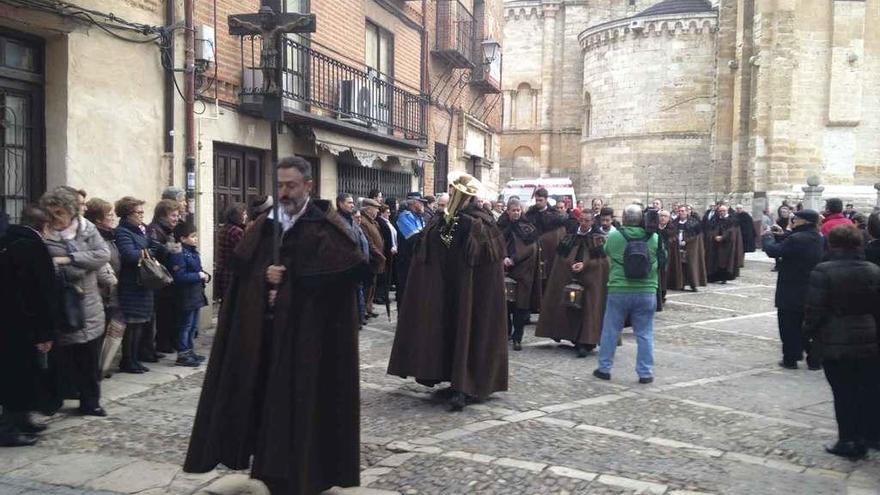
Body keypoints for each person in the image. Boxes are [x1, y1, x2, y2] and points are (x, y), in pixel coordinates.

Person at [185, 156, 366, 494]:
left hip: (309, 342)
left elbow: (347, 274)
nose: (284, 192)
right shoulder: (264, 226)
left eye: (291, 186)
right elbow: (240, 273)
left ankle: (308, 472)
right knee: (264, 402)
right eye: (279, 185)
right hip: (265, 336)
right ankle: (267, 467)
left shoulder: (325, 226)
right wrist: (263, 279)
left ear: (308, 186)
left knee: (303, 405)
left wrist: (294, 280)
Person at [388, 173, 508, 411]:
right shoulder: (440, 219)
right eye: (452, 193)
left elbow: (486, 258)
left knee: (467, 331)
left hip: (471, 293)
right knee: (446, 331)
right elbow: (427, 247)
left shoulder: (482, 222)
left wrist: (467, 230)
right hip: (446, 288)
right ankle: (451, 379)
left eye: (457, 194)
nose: (454, 197)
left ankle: (466, 385)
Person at [802, 225, 880, 460]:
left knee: (844, 393)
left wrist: (807, 337)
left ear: (832, 243)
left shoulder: (823, 271)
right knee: (867, 390)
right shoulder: (873, 270)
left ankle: (848, 439)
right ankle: (869, 435)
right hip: (868, 337)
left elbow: (814, 310)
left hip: (835, 338)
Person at [41, 188, 111, 417]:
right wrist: (75, 264)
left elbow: (103, 255)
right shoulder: (46, 233)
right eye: (51, 213)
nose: (55, 218)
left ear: (71, 212)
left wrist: (70, 258)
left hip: (88, 305)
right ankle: (56, 399)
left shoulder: (86, 229)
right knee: (61, 358)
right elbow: (50, 265)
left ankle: (91, 402)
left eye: (59, 213)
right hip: (62, 303)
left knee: (90, 359)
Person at [0, 206, 60, 446]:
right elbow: (41, 292)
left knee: (23, 374)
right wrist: (45, 330)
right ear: (45, 226)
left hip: (13, 319)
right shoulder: (30, 245)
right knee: (17, 374)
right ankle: (9, 427)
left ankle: (22, 417)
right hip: (23, 322)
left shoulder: (12, 240)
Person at [593, 205, 660, 384]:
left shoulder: (615, 236)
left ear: (624, 219)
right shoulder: (653, 237)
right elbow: (662, 259)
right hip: (646, 289)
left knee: (610, 331)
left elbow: (606, 251)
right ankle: (645, 372)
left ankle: (604, 368)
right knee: (645, 333)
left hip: (619, 289)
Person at [536, 208, 609, 357]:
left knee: (588, 311)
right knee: (570, 308)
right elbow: (559, 261)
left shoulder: (598, 239)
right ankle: (571, 337)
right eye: (581, 220)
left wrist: (586, 265)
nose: (583, 223)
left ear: (592, 221)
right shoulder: (569, 237)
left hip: (589, 282)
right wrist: (570, 264)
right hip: (569, 279)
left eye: (586, 220)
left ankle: (585, 342)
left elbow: (603, 263)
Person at [762, 209, 824, 370]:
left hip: (791, 288)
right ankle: (814, 359)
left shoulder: (797, 238)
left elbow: (774, 250)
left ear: (804, 221)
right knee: (808, 325)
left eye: (795, 218)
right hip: (810, 287)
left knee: (788, 325)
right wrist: (785, 232)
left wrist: (767, 237)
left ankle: (790, 358)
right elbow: (790, 245)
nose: (793, 220)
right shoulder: (818, 237)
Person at [84, 198, 123, 379]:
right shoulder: (94, 237)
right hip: (99, 292)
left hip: (111, 291)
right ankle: (93, 371)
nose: (113, 218)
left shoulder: (111, 235)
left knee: (109, 331)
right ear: (98, 219)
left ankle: (101, 367)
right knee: (96, 335)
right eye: (109, 215)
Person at [115, 197, 154, 374]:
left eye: (142, 212)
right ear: (127, 214)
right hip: (131, 283)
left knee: (140, 324)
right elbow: (129, 255)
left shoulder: (140, 230)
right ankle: (127, 359)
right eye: (138, 212)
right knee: (131, 323)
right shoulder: (123, 231)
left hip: (143, 282)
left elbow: (149, 246)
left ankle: (135, 358)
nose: (141, 215)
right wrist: (147, 253)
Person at [497, 199, 540, 351]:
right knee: (505, 305)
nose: (516, 213)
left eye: (518, 210)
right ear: (507, 211)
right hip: (503, 270)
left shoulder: (528, 228)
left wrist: (513, 259)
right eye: (513, 210)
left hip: (522, 272)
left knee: (520, 307)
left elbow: (531, 248)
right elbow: (495, 243)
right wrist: (503, 257)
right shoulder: (500, 226)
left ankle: (517, 337)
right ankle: (506, 332)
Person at [167, 222, 209, 367]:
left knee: (192, 326)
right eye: (193, 236)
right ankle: (183, 354)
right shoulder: (178, 253)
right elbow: (179, 276)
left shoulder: (192, 251)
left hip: (195, 294)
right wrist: (199, 275)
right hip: (185, 295)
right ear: (183, 239)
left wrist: (205, 275)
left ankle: (190, 351)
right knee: (185, 325)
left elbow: (199, 269)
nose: (196, 239)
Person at [146, 199, 182, 358]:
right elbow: (152, 254)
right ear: (163, 216)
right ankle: (157, 345)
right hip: (158, 279)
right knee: (157, 314)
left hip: (167, 279)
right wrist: (168, 250)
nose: (177, 218)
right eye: (173, 215)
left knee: (167, 312)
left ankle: (164, 342)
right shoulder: (154, 230)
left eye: (177, 215)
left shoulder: (168, 230)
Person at [525, 188, 568, 300]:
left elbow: (563, 225)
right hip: (534, 250)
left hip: (549, 252)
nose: (538, 202)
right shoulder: (531, 213)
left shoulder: (554, 214)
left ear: (546, 199)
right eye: (537, 200)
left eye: (540, 200)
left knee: (548, 277)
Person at [395, 192, 427, 303]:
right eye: (421, 202)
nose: (423, 205)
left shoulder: (419, 217)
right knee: (405, 292)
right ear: (413, 203)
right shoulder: (404, 216)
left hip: (416, 260)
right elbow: (414, 238)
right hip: (406, 261)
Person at [667, 205, 707, 292]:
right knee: (680, 266)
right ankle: (681, 284)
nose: (681, 213)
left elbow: (697, 236)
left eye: (683, 211)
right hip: (677, 247)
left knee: (691, 266)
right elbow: (671, 233)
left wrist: (687, 241)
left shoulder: (694, 223)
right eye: (679, 211)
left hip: (690, 248)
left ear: (687, 212)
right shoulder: (674, 223)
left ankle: (693, 284)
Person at [359, 198, 386, 319]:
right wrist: (379, 254)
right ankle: (364, 309)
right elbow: (369, 242)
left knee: (372, 286)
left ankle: (368, 307)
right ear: (368, 209)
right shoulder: (364, 221)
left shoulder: (373, 221)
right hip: (371, 258)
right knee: (368, 285)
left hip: (376, 258)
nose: (377, 211)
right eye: (375, 208)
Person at [214, 203, 247, 301]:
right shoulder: (237, 231)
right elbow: (243, 252)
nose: (246, 216)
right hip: (231, 273)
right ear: (238, 216)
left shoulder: (224, 228)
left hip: (222, 271)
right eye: (244, 214)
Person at [705, 204, 743, 284]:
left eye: (723, 211)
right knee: (715, 261)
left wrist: (723, 237)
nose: (721, 212)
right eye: (720, 211)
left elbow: (732, 232)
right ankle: (714, 276)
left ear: (727, 211)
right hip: (715, 244)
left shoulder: (732, 220)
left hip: (727, 245)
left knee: (725, 262)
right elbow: (711, 229)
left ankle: (724, 277)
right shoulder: (715, 219)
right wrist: (714, 236)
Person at [375, 204, 398, 306]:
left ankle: (384, 295)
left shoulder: (387, 221)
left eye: (389, 212)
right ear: (382, 212)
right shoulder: (381, 222)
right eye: (387, 212)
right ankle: (379, 296)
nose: (389, 213)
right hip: (386, 251)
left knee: (387, 274)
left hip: (392, 250)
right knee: (383, 275)